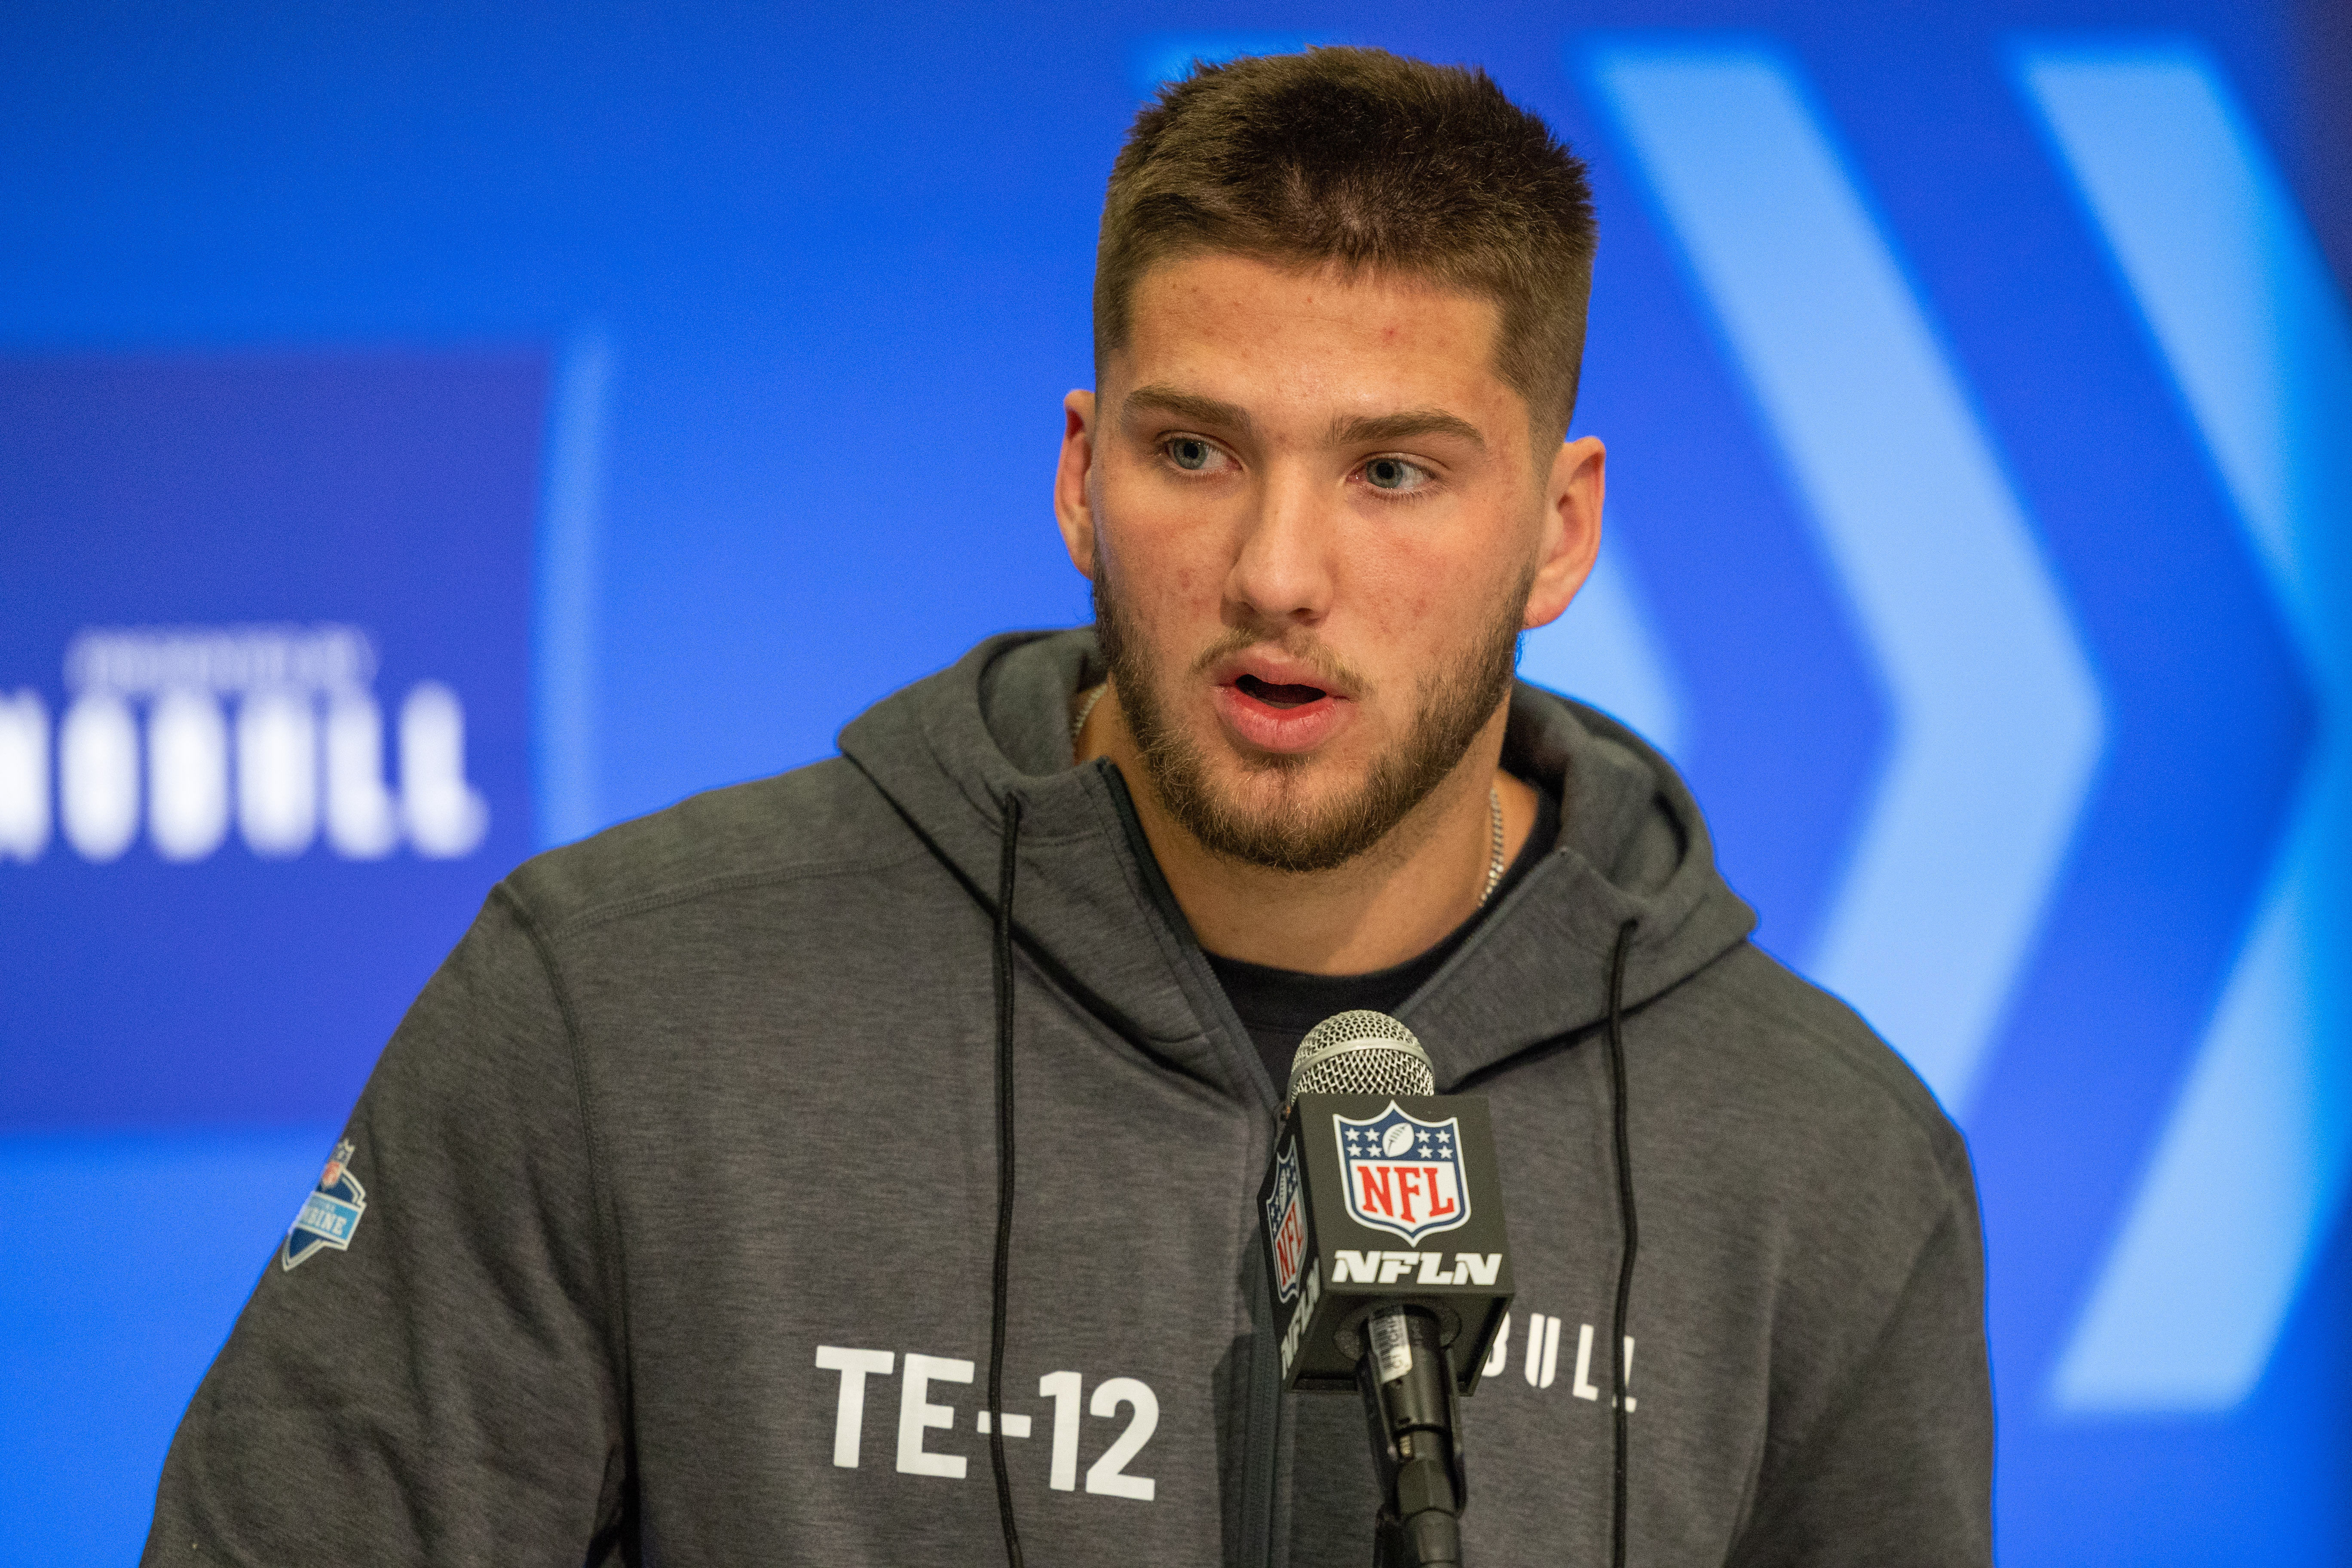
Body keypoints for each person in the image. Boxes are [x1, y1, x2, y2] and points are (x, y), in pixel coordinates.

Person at [144, 47, 1991, 1567]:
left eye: (1395, 473)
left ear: (1560, 531)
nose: (1280, 571)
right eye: (1196, 453)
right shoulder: (621, 1012)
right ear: (1082, 479)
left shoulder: (1820, 1165)